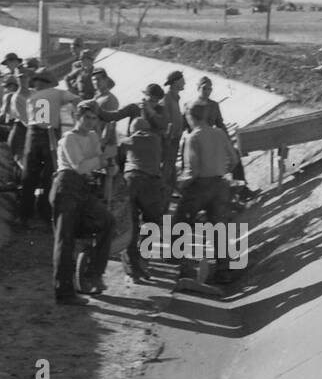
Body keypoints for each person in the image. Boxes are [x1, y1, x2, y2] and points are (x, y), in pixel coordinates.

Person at [94, 84, 168, 280]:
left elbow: (162, 125)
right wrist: (96, 108)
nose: (149, 102)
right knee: (132, 222)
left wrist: (151, 111)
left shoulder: (160, 112)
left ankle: (141, 259)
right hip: (134, 166)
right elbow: (112, 116)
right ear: (143, 95)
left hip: (146, 164)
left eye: (154, 100)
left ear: (158, 100)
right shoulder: (134, 108)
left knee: (151, 221)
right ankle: (133, 265)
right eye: (148, 98)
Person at [50, 106, 115, 305]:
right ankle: (64, 293)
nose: (90, 122)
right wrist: (103, 160)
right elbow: (80, 166)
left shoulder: (93, 136)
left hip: (84, 188)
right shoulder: (69, 138)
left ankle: (94, 273)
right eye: (86, 117)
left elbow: (100, 162)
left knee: (107, 221)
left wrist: (110, 164)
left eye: (94, 118)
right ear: (77, 117)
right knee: (65, 241)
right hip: (67, 186)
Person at [173, 101, 240, 284]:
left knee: (180, 222)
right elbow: (234, 159)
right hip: (220, 184)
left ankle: (182, 267)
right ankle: (224, 269)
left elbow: (192, 170)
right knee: (219, 227)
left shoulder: (193, 138)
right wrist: (221, 169)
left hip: (200, 186)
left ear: (189, 116)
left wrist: (180, 183)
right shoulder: (219, 133)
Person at [21, 70, 80, 226]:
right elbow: (77, 100)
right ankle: (46, 213)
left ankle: (24, 214)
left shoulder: (31, 97)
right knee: (50, 175)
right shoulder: (58, 93)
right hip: (50, 136)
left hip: (32, 134)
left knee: (29, 176)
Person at [161, 70, 186, 198]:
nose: (185, 82)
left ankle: (173, 190)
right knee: (167, 171)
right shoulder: (167, 98)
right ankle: (166, 194)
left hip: (175, 141)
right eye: (182, 80)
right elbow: (165, 122)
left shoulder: (175, 98)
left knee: (171, 171)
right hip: (169, 141)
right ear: (176, 82)